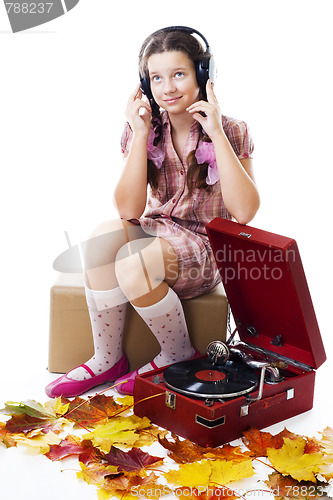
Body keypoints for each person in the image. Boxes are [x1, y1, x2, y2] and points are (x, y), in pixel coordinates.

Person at [45, 26, 260, 399]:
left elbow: (244, 213)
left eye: (179, 74)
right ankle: (108, 358)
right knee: (100, 237)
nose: (167, 88)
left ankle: (177, 353)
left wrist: (217, 134)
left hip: (206, 245)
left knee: (133, 261)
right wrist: (140, 133)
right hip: (160, 229)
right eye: (156, 78)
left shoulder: (232, 130)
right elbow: (129, 210)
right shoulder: (146, 128)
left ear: (202, 76)